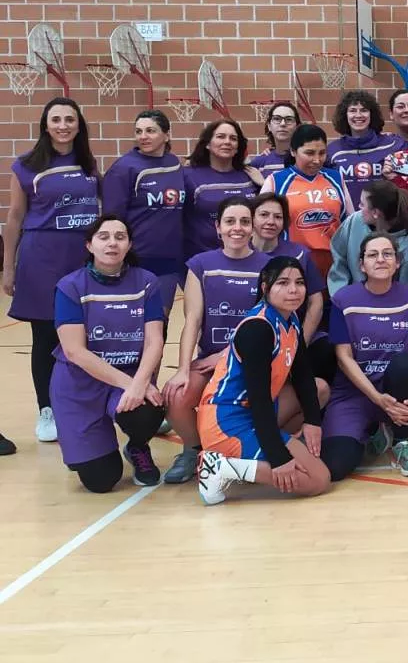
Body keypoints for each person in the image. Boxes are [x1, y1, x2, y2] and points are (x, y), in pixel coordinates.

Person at [4, 97, 101, 443]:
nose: (63, 125)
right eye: (56, 119)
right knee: (45, 338)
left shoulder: (88, 163)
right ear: (46, 125)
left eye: (69, 120)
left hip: (81, 259)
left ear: (79, 125)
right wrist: (8, 268)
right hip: (41, 257)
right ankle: (47, 410)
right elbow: (14, 218)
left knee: (85, 336)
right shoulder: (26, 166)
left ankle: (85, 403)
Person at [195, 256, 330, 505]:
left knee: (319, 389)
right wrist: (278, 458)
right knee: (318, 480)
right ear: (265, 287)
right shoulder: (258, 329)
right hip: (226, 421)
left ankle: (253, 455)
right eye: (283, 283)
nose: (293, 290)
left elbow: (302, 375)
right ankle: (220, 466)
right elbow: (259, 401)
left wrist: (313, 421)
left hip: (251, 412)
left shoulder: (290, 318)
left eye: (299, 282)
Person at [162, 197, 273, 484]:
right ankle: (196, 450)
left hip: (254, 362)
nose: (237, 228)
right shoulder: (200, 265)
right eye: (230, 221)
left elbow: (266, 324)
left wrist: (226, 356)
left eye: (244, 222)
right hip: (210, 360)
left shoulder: (270, 268)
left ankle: (246, 446)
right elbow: (193, 320)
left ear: (254, 228)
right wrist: (183, 369)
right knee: (176, 395)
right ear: (218, 227)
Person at [51, 216, 166, 491]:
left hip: (126, 375)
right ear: (89, 245)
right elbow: (74, 351)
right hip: (80, 383)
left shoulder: (147, 282)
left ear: (129, 245)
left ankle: (138, 447)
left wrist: (140, 383)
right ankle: (86, 450)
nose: (112, 243)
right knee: (101, 481)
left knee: (149, 411)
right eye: (104, 237)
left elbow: (155, 341)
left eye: (120, 236)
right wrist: (134, 385)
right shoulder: (70, 286)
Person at [322, 233, 408, 480]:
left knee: (404, 364)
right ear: (361, 264)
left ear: (398, 262)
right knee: (335, 467)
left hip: (396, 393)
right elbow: (343, 357)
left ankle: (401, 443)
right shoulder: (343, 300)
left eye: (387, 254)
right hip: (355, 394)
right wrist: (376, 398)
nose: (381, 259)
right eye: (372, 255)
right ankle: (371, 434)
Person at [101, 110, 185, 313]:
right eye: (138, 131)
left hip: (169, 260)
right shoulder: (124, 168)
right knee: (134, 326)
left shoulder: (174, 163)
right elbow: (112, 219)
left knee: (159, 324)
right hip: (136, 260)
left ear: (166, 135)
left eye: (150, 131)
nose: (143, 136)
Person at [261, 123, 354, 279]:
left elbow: (351, 222)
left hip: (334, 266)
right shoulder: (276, 181)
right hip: (293, 265)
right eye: (309, 153)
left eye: (322, 153)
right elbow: (259, 225)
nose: (317, 160)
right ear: (293, 151)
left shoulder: (337, 178)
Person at [328, 180, 408, 294]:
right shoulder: (354, 221)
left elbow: (407, 291)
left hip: (388, 307)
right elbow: (338, 260)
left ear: (375, 213)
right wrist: (341, 295)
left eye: (362, 204)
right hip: (349, 301)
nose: (359, 207)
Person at [182, 119, 263, 259]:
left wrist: (264, 184)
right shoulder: (188, 176)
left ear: (238, 147)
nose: (227, 142)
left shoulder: (250, 176)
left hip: (246, 258)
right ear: (207, 143)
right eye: (220, 137)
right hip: (203, 258)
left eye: (233, 138)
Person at [250, 193, 326, 341]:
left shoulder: (300, 254)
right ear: (251, 218)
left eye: (278, 217)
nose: (271, 221)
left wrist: (300, 343)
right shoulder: (239, 252)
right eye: (264, 215)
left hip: (292, 334)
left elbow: (316, 303)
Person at [327, 90, 408, 208]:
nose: (358, 115)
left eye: (364, 110)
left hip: (384, 220)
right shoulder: (332, 150)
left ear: (372, 114)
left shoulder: (393, 144)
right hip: (348, 220)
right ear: (345, 115)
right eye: (352, 110)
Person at [250, 102, 302, 178]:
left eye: (289, 119)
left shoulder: (305, 159)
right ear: (269, 126)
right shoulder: (258, 163)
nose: (283, 123)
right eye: (277, 118)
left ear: (297, 127)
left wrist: (264, 183)